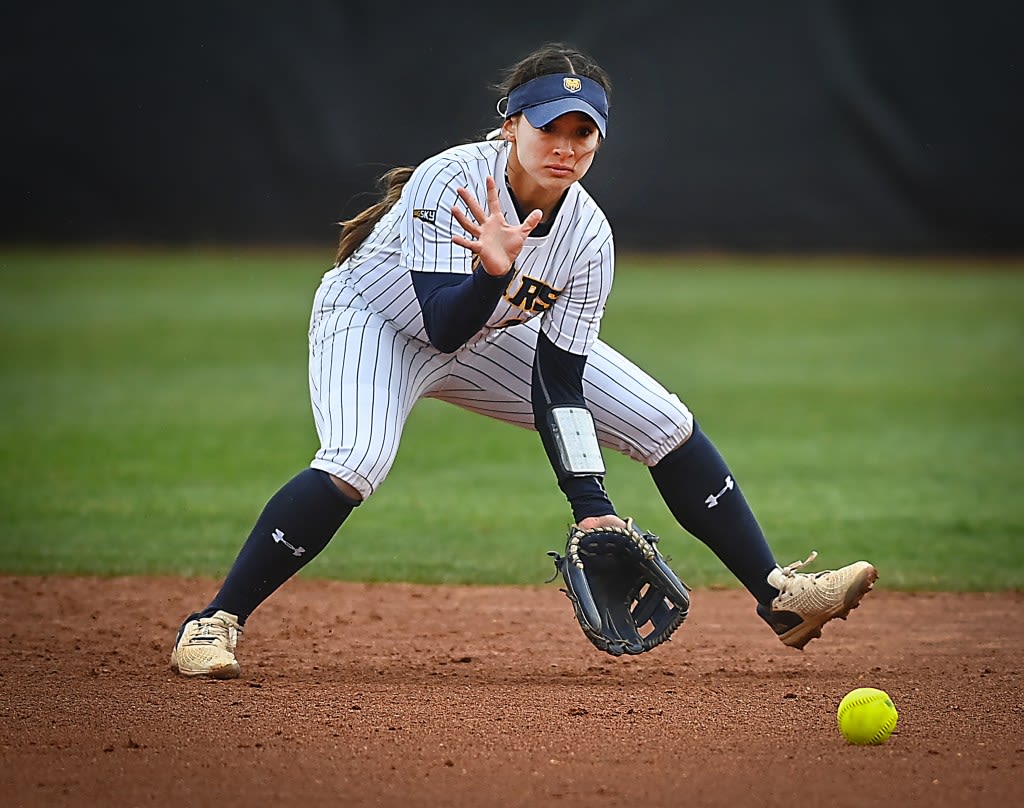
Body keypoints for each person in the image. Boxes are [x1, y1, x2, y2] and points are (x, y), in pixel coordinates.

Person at [170, 42, 877, 678]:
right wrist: (488, 273)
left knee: (661, 421)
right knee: (356, 461)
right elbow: (442, 328)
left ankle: (780, 597)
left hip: (489, 333)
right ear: (510, 124)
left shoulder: (588, 237)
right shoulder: (453, 181)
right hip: (377, 323)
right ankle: (213, 622)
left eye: (583, 133)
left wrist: (591, 507)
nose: (564, 146)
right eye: (549, 127)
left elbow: (559, 381)